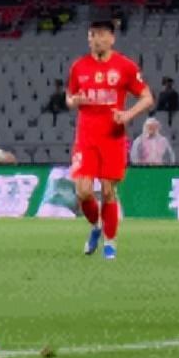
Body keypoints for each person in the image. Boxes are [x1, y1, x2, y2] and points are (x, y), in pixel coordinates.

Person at [67, 19, 155, 260]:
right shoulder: (79, 67)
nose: (97, 39)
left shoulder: (125, 66)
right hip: (86, 137)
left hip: (112, 137)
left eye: (102, 34)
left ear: (112, 38)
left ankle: (110, 242)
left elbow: (147, 97)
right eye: (93, 35)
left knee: (107, 191)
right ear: (89, 39)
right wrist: (74, 101)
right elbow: (69, 97)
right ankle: (96, 225)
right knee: (83, 191)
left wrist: (127, 115)